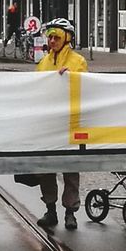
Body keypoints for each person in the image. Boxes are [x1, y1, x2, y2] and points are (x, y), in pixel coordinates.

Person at [32, 18, 88, 230]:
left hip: (70, 123)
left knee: (70, 169)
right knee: (46, 168)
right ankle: (50, 209)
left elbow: (86, 87)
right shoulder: (43, 62)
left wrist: (71, 78)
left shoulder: (78, 61)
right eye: (50, 37)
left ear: (67, 38)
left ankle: (70, 212)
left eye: (56, 37)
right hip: (48, 124)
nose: (52, 41)